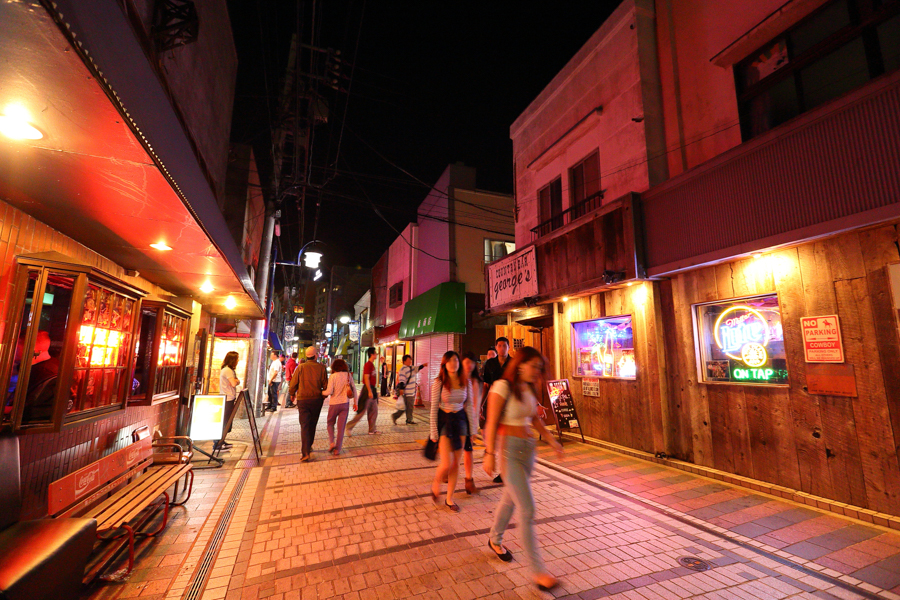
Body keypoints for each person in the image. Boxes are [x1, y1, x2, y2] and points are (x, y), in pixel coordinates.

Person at [483, 346, 563, 592]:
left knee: (510, 499)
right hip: (509, 453)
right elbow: (491, 421)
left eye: (540, 368)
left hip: (528, 452)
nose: (537, 371)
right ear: (520, 364)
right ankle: (538, 572)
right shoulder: (502, 387)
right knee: (527, 509)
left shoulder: (528, 388)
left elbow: (535, 418)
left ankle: (494, 539)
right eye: (534, 366)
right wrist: (489, 454)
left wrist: (551, 441)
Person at [429, 351, 476, 513]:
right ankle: (436, 483)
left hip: (461, 421)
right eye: (449, 361)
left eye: (455, 360)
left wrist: (473, 429)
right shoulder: (439, 382)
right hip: (445, 420)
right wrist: (433, 432)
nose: (453, 363)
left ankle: (449, 499)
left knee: (456, 463)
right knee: (447, 462)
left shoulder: (466, 381)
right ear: (444, 364)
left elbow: (469, 407)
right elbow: (433, 408)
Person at [288, 346, 328, 461]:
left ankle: (305, 452)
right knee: (313, 424)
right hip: (316, 400)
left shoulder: (300, 367)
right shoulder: (321, 368)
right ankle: (308, 445)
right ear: (316, 356)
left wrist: (292, 393)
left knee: (304, 425)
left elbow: (293, 383)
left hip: (303, 400)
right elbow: (325, 385)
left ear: (306, 356)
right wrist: (323, 396)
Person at [482, 337, 511, 483]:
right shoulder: (490, 364)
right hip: (494, 404)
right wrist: (481, 404)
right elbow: (486, 385)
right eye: (499, 345)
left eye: (504, 345)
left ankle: (504, 471)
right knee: (494, 434)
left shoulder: (513, 363)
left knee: (505, 439)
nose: (502, 348)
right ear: (496, 347)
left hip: (509, 405)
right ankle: (491, 455)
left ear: (508, 347)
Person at [460, 351, 483, 495]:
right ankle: (447, 471)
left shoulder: (476, 381)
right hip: (454, 419)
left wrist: (474, 427)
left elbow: (476, 405)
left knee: (468, 450)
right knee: (453, 451)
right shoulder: (455, 378)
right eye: (467, 362)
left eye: (473, 363)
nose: (470, 365)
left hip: (468, 420)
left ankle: (469, 480)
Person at [323, 359, 355, 455]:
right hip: (345, 404)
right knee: (341, 428)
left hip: (334, 404)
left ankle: (332, 442)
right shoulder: (348, 375)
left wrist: (321, 392)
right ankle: (337, 449)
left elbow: (329, 392)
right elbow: (354, 390)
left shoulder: (333, 376)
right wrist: (356, 403)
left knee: (330, 423)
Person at [347, 347, 379, 435]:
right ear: (372, 354)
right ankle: (349, 426)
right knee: (361, 411)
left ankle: (372, 429)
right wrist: (369, 391)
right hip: (367, 390)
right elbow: (366, 378)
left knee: (374, 410)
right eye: (375, 353)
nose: (376, 354)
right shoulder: (368, 364)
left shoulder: (372, 364)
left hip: (372, 389)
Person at [215, 351, 240, 451]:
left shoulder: (228, 370)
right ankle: (217, 444)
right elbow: (233, 383)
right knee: (225, 421)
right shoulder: (227, 370)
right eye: (237, 359)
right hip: (227, 398)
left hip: (228, 398)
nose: (238, 360)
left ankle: (221, 441)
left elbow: (235, 381)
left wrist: (236, 381)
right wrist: (237, 381)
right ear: (232, 360)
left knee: (227, 421)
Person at [391, 355, 427, 425]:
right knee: (407, 407)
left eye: (410, 360)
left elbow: (417, 368)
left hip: (411, 392)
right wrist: (401, 390)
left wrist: (423, 365)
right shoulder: (403, 370)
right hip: (406, 392)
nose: (410, 361)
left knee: (407, 407)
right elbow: (402, 381)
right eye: (408, 360)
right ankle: (405, 419)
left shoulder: (411, 368)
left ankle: (405, 418)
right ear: (404, 361)